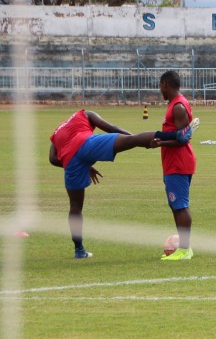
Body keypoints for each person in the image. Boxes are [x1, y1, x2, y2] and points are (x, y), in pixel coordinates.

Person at [48, 107, 197, 259]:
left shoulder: (56, 133)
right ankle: (177, 135)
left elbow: (53, 159)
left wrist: (84, 165)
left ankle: (79, 250)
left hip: (71, 160)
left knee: (75, 207)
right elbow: (112, 128)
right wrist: (138, 139)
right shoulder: (85, 114)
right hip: (85, 143)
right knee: (132, 140)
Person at [158, 70, 200, 260]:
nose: (160, 90)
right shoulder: (174, 105)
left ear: (165, 84)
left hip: (178, 162)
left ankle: (185, 249)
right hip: (172, 162)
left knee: (181, 206)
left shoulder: (178, 107)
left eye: (161, 86)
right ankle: (183, 249)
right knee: (176, 205)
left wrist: (160, 142)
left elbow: (182, 139)